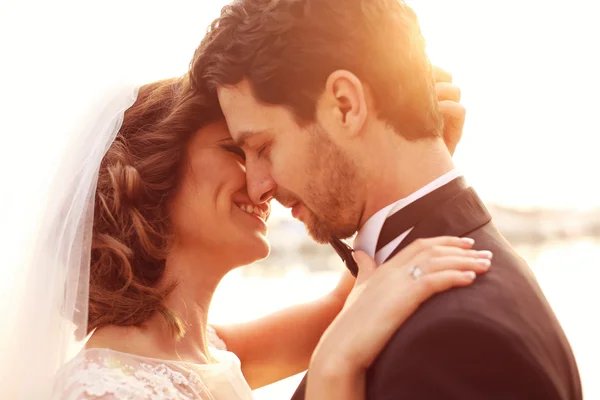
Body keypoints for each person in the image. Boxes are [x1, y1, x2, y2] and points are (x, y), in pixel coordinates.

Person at [0, 62, 479, 398]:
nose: (264, 183)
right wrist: (334, 369)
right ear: (154, 173)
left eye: (265, 150)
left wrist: (404, 158)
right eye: (237, 151)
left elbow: (343, 307)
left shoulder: (208, 353)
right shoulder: (101, 391)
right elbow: (339, 333)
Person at [190, 0, 583, 399]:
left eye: (262, 147)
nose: (257, 187)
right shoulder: (419, 278)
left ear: (345, 105)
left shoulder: (456, 341)